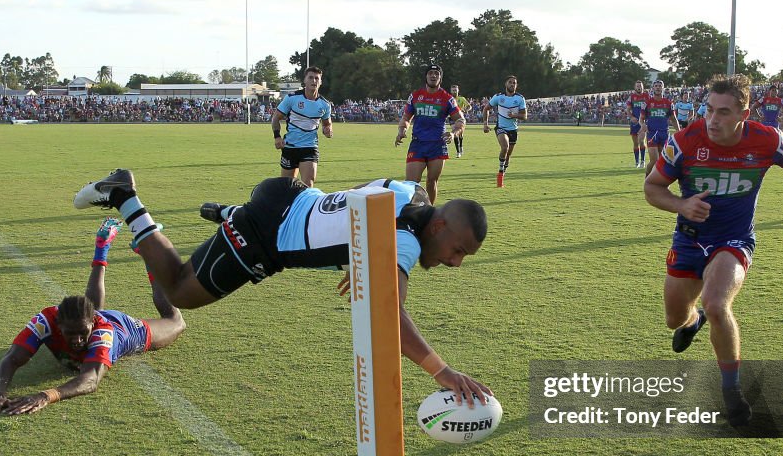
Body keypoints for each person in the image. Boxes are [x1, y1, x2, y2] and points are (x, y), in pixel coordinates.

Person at [73, 169, 492, 404]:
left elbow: (367, 191)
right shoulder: (402, 242)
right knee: (181, 292)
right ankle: (126, 195)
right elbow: (387, 315)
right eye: (456, 250)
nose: (455, 263)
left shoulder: (412, 192)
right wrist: (443, 371)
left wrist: (359, 252)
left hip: (292, 195)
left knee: (194, 278)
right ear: (437, 225)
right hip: (267, 235)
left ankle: (228, 213)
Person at [643, 74, 783, 426]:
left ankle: (732, 391)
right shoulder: (685, 140)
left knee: (717, 304)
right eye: (708, 110)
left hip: (733, 241)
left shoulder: (767, 139)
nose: (712, 119)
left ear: (744, 114)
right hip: (689, 240)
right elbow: (653, 187)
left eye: (722, 112)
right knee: (675, 318)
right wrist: (682, 205)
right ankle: (695, 320)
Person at [0, 218, 186, 416]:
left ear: (93, 324)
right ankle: (102, 245)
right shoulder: (45, 321)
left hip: (125, 330)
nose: (77, 340)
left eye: (82, 333)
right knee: (89, 310)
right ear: (58, 324)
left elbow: (90, 380)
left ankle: (147, 256)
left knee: (175, 321)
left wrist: (46, 396)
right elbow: (11, 358)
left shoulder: (103, 331)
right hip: (90, 317)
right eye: (71, 334)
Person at [396, 65, 464, 204]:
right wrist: (402, 130)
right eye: (430, 73)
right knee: (411, 183)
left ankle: (430, 212)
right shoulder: (415, 96)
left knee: (431, 181)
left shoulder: (447, 98)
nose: (433, 76)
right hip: (418, 143)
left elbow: (460, 119)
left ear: (440, 77)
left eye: (436, 74)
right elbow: (406, 117)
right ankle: (411, 212)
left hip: (437, 145)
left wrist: (453, 133)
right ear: (426, 76)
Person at [271, 66, 333, 187]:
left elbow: (327, 123)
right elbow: (276, 118)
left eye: (317, 78)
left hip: (309, 147)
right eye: (310, 77)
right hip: (290, 146)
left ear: (320, 82)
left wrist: (328, 130)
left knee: (308, 184)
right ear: (304, 80)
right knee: (287, 186)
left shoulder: (325, 104)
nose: (314, 81)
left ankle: (307, 206)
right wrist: (277, 137)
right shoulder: (292, 98)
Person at [482, 75, 527, 187]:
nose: (512, 84)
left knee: (508, 156)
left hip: (513, 129)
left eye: (514, 83)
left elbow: (524, 116)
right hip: (501, 128)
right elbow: (486, 109)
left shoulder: (520, 98)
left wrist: (514, 115)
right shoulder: (498, 97)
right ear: (506, 84)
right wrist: (485, 124)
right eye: (510, 82)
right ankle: (500, 173)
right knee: (505, 147)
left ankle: (503, 172)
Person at [639, 79, 680, 176]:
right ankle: (647, 176)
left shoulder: (669, 103)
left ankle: (661, 182)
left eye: (659, 86)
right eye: (656, 86)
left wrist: (679, 131)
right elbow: (641, 119)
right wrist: (643, 124)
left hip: (664, 134)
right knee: (654, 160)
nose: (658, 87)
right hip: (652, 134)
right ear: (653, 88)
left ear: (663, 88)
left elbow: (673, 119)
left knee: (663, 161)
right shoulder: (647, 103)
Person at [627, 80, 649, 168]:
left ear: (643, 87)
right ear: (635, 87)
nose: (639, 87)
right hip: (634, 123)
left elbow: (650, 108)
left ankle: (643, 161)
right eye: (637, 86)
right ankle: (637, 162)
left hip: (643, 122)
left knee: (641, 141)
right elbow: (628, 110)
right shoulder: (632, 97)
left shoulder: (647, 96)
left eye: (640, 86)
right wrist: (632, 117)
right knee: (635, 143)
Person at [450, 85, 471, 158]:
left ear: (458, 90)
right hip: (452, 118)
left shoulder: (461, 99)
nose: (454, 91)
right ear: (450, 91)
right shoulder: (449, 99)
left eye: (455, 90)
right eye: (453, 90)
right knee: (455, 133)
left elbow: (469, 106)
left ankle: (461, 146)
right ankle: (458, 152)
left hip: (460, 118)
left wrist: (465, 110)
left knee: (461, 135)